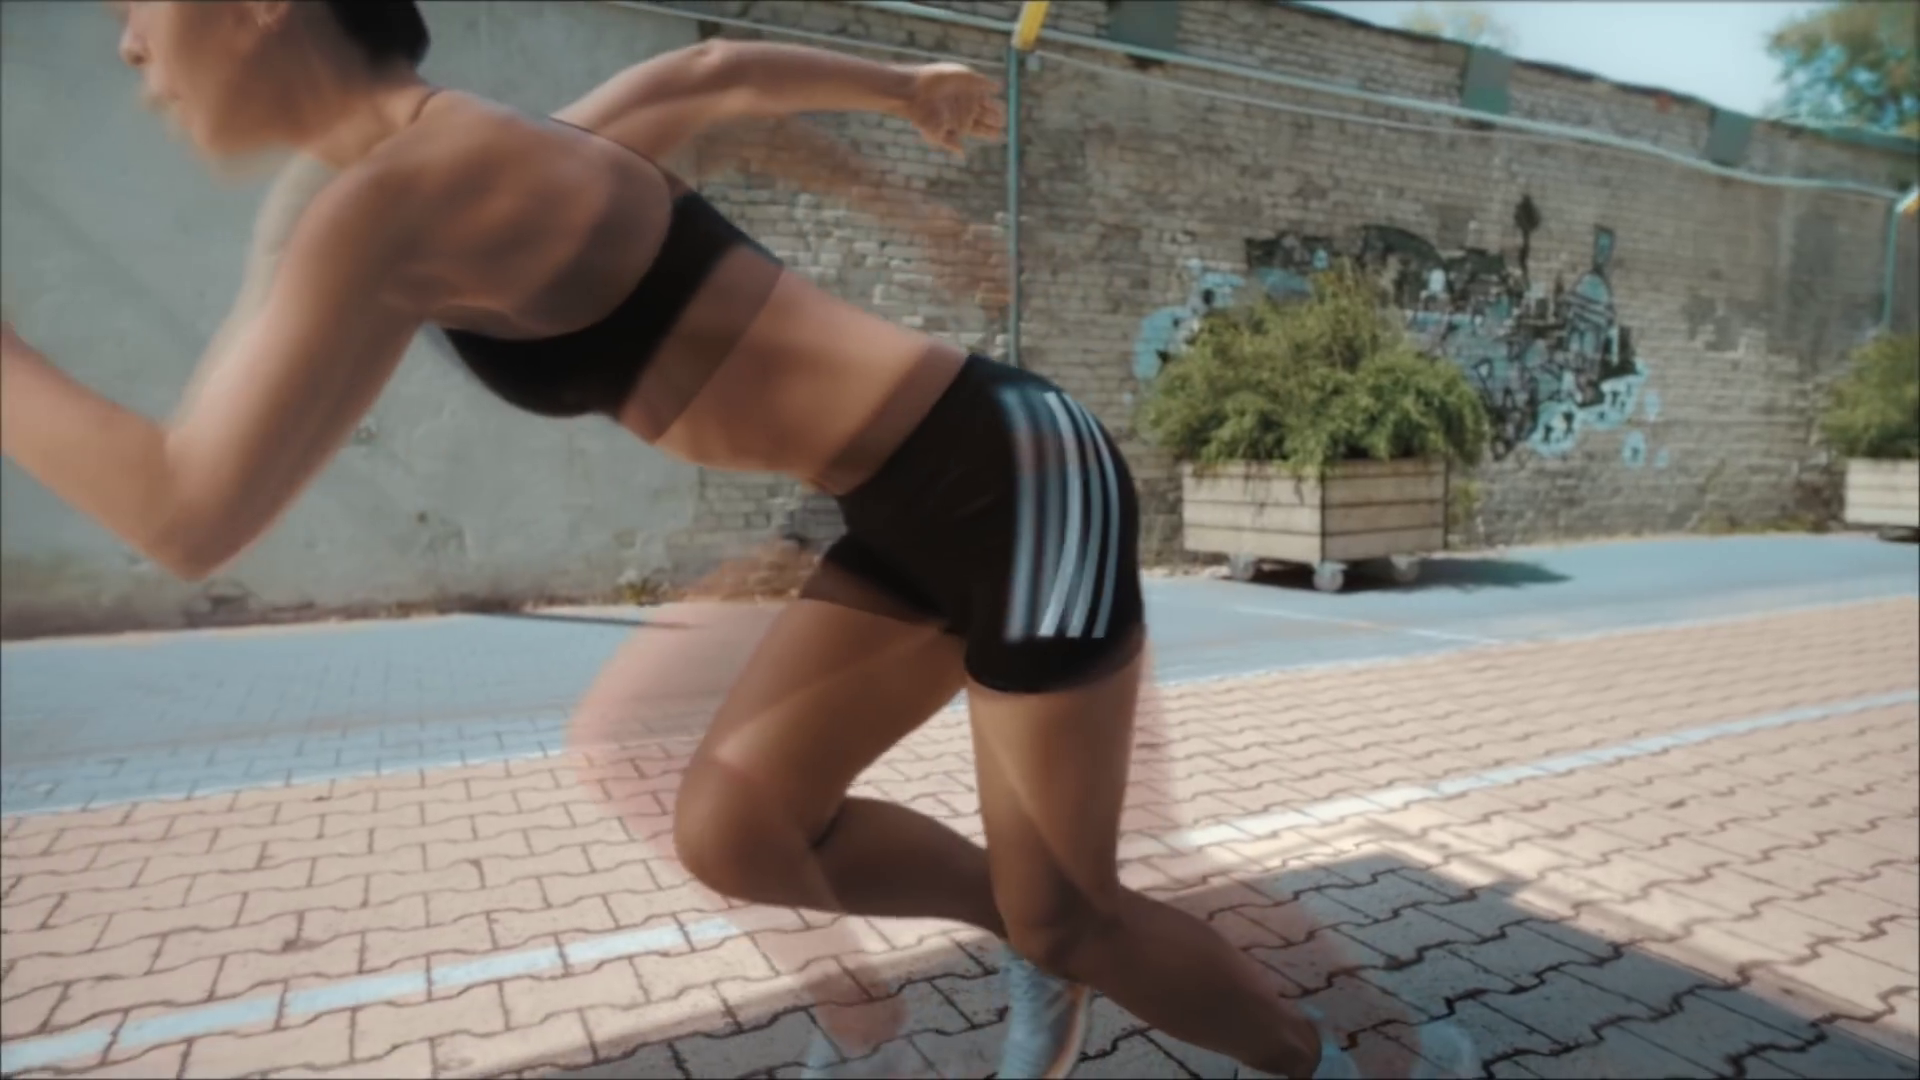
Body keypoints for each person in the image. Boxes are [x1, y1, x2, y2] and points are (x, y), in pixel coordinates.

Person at [0, 3, 1333, 1077]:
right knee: (739, 826)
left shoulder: (395, 199)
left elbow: (189, 509)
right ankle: (1035, 932)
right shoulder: (464, 160)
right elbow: (709, 74)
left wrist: (903, 96)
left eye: (134, 7)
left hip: (1014, 472)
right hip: (906, 501)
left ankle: (1317, 1055)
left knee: (1075, 910)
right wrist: (904, 85)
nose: (127, 45)